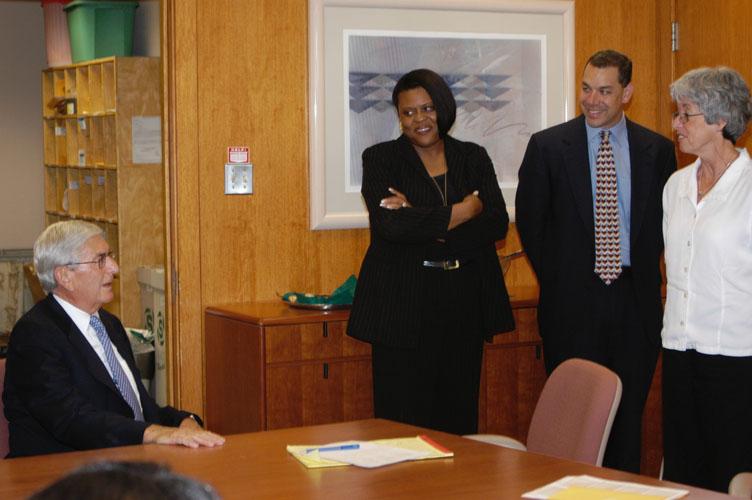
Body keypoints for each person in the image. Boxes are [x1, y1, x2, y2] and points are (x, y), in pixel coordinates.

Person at [515, 49, 676, 472]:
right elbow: (532, 224)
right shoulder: (549, 147)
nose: (592, 100)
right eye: (587, 88)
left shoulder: (656, 151)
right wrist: (563, 278)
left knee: (627, 425)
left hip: (634, 305)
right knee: (573, 425)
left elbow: (663, 227)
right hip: (572, 304)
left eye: (605, 91)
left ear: (628, 93)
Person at [346, 68, 515, 435]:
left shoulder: (473, 157)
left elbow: (497, 224)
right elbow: (390, 226)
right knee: (400, 427)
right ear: (399, 117)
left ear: (443, 107)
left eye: (427, 108)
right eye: (408, 113)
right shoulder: (380, 159)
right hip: (402, 304)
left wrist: (421, 219)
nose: (419, 119)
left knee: (458, 420)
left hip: (463, 300)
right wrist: (466, 210)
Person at [2, 221, 225, 458]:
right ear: (65, 276)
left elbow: (137, 407)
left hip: (123, 460)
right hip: (61, 473)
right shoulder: (35, 334)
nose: (114, 267)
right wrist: (153, 434)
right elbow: (71, 420)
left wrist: (183, 422)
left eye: (110, 256)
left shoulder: (109, 323)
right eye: (100, 260)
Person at [661, 66, 752, 492]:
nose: (675, 125)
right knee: (684, 472)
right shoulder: (676, 185)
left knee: (730, 474)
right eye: (676, 114)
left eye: (686, 114)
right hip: (679, 349)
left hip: (736, 357)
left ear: (720, 121)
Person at [29, 460, 220, 500]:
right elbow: (71, 417)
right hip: (67, 472)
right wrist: (147, 431)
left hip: (132, 464)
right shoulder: (33, 353)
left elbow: (142, 408)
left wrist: (183, 419)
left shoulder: (120, 352)